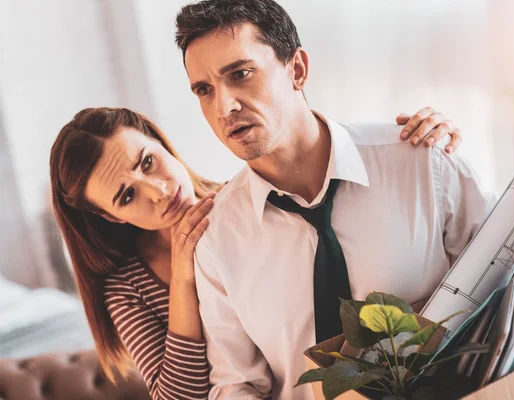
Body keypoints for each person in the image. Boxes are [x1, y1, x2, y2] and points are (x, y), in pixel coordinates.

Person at [174, 1, 495, 399]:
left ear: (297, 69)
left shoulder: (423, 164)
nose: (224, 107)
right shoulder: (218, 238)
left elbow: (507, 288)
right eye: (204, 90)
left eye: (240, 74)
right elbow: (235, 384)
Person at [49, 104, 461, 400]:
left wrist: (423, 138)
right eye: (126, 195)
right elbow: (177, 398)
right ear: (112, 217)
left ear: (160, 142)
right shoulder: (128, 287)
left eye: (148, 162)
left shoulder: (255, 204)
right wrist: (184, 276)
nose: (157, 190)